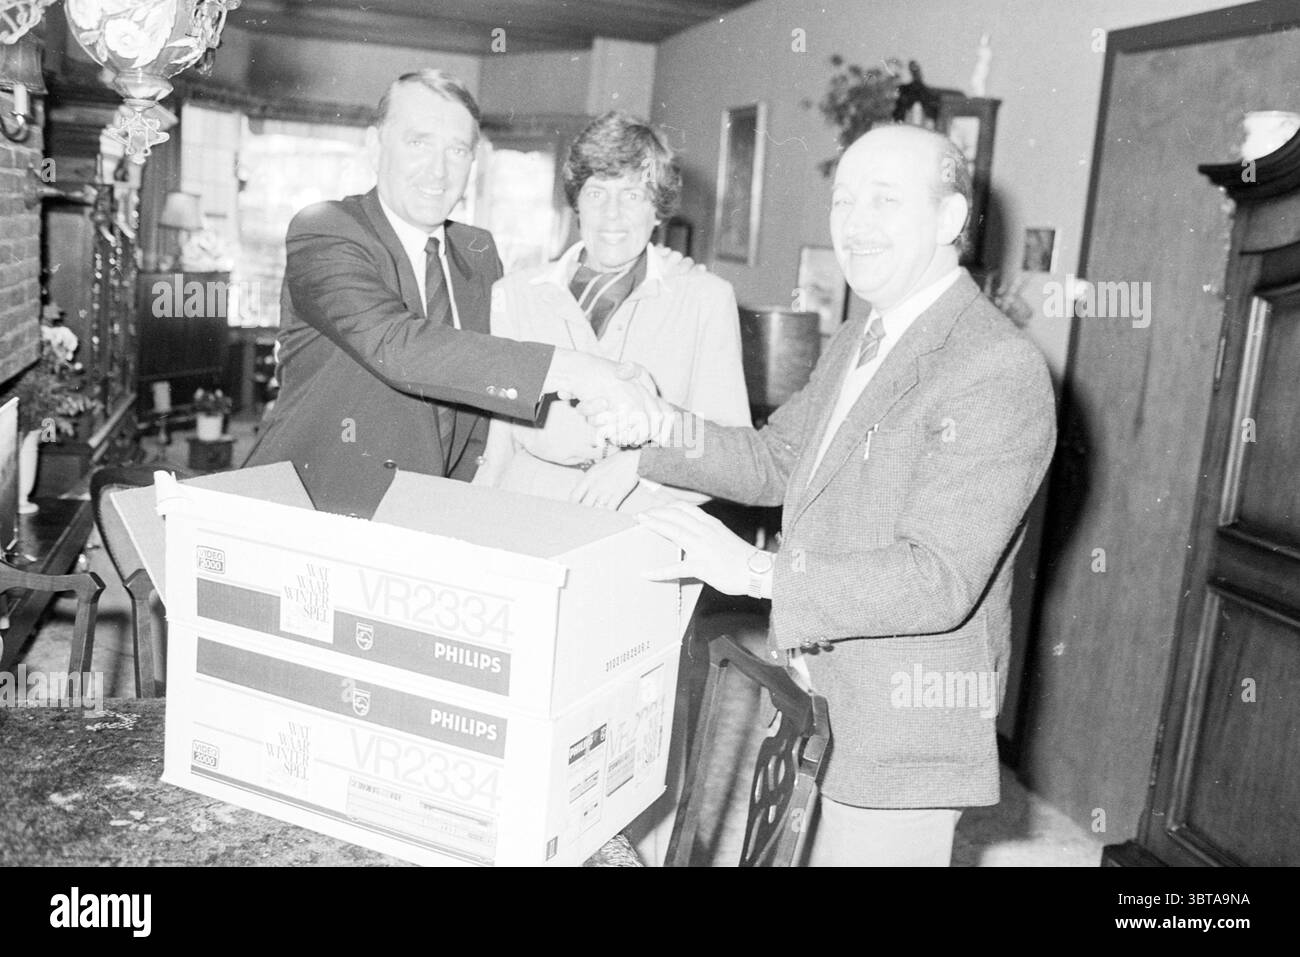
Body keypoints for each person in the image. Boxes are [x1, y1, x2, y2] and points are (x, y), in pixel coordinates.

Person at [605, 124, 1057, 866]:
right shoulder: (861, 336)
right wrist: (655, 429)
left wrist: (754, 573)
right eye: (844, 199)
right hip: (819, 685)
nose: (855, 223)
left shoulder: (995, 367)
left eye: (884, 200)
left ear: (950, 220)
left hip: (899, 723)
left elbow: (936, 578)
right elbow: (780, 457)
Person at [242, 70, 666, 518]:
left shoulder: (478, 251)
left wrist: (656, 264)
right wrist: (579, 372)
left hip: (431, 516)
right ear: (374, 146)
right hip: (312, 507)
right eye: (418, 143)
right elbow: (398, 345)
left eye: (457, 150)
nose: (438, 171)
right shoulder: (326, 229)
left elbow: (484, 369)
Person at [473, 111, 751, 512]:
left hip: (646, 515)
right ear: (576, 204)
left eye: (632, 195)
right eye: (597, 193)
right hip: (526, 507)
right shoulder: (515, 296)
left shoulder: (705, 299)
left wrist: (644, 467)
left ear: (658, 210)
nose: (612, 214)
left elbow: (730, 451)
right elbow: (499, 444)